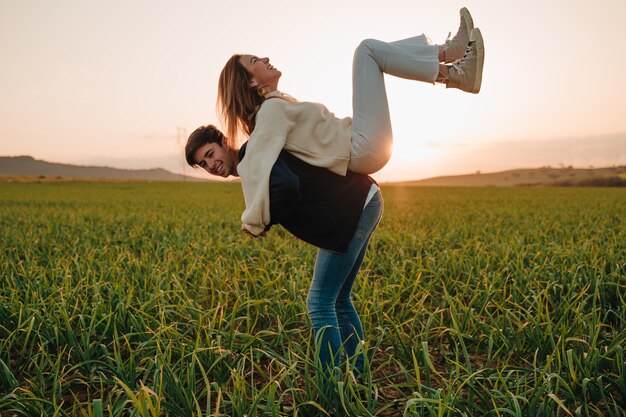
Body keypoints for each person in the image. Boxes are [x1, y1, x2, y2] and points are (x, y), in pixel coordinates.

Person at [217, 8, 484, 236]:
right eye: (255, 61)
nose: (264, 58)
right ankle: (453, 66)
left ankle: (451, 57)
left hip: (360, 142)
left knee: (371, 52)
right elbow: (254, 163)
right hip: (360, 148)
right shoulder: (269, 113)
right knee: (367, 51)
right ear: (251, 82)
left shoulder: (278, 105)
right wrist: (253, 222)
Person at [185, 124, 382, 375]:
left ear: (224, 142)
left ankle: (331, 385)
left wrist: (265, 220)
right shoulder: (252, 157)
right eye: (203, 163)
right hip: (363, 198)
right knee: (339, 299)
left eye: (210, 154)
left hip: (350, 209)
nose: (210, 165)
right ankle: (358, 375)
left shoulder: (251, 155)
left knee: (319, 302)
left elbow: (288, 186)